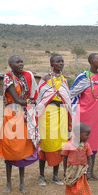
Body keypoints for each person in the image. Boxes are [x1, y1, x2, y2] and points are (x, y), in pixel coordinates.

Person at [0, 55, 39, 195]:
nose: (21, 64)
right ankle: (8, 183)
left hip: (23, 116)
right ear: (10, 65)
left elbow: (30, 95)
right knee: (10, 149)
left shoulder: (25, 78)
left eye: (21, 61)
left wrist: (31, 101)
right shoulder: (8, 78)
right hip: (12, 114)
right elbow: (18, 100)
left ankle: (21, 183)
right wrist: (32, 102)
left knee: (22, 150)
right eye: (17, 62)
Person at [35, 54, 72, 186]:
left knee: (60, 145)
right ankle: (41, 175)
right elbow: (39, 96)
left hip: (61, 113)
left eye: (62, 61)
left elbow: (67, 98)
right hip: (48, 114)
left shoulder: (64, 79)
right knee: (45, 143)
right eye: (57, 61)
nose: (60, 64)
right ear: (52, 64)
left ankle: (55, 176)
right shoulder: (45, 79)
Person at [70, 53, 98, 180]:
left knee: (94, 143)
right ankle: (80, 172)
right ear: (91, 61)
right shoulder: (83, 77)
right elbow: (72, 93)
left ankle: (91, 171)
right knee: (81, 143)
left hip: (97, 115)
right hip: (84, 115)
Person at [61, 123, 94, 195]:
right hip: (72, 170)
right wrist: (65, 171)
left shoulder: (86, 145)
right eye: (86, 135)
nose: (88, 137)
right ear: (78, 134)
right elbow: (65, 158)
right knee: (72, 188)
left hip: (81, 169)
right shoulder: (68, 145)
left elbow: (89, 158)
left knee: (79, 189)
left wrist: (89, 171)